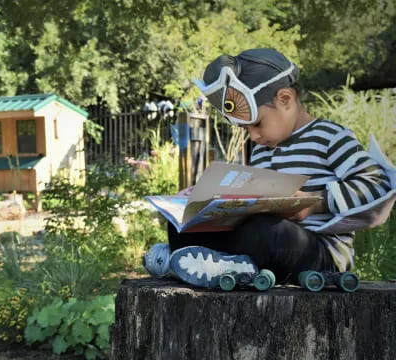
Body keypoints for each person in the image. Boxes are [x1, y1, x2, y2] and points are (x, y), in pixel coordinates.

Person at [144, 48, 393, 288]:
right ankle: (211, 262)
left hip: (319, 255)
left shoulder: (331, 137)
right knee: (182, 225)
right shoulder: (263, 149)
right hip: (267, 247)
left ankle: (219, 267)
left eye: (257, 124)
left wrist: (315, 202)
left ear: (285, 99)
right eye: (245, 129)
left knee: (266, 232)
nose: (253, 136)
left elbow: (377, 185)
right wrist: (205, 200)